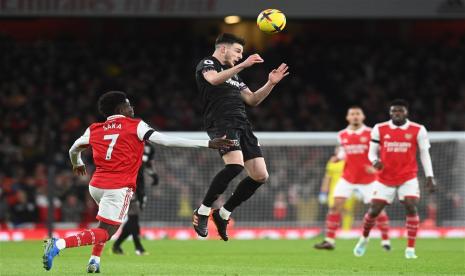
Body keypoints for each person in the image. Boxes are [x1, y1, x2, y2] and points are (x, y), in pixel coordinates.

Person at [42, 91, 234, 273]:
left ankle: (95, 260)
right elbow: (165, 141)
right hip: (117, 187)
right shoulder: (135, 125)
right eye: (127, 104)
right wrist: (207, 143)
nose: (131, 107)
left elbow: (73, 148)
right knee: (107, 233)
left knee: (105, 224)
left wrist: (77, 163)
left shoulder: (94, 129)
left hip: (96, 186)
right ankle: (59, 244)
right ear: (119, 109)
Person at [192, 33, 289, 241]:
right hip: (222, 122)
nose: (239, 56)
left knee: (260, 175)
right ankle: (202, 211)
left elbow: (253, 99)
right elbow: (213, 80)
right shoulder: (208, 64)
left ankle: (223, 214)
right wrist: (243, 65)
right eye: (238, 51)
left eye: (241, 54)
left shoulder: (234, 76)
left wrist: (271, 83)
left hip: (243, 124)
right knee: (235, 166)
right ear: (223, 49)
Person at [353, 99, 437, 259]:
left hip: (408, 176)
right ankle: (364, 239)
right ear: (390, 113)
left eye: (400, 111)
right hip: (385, 177)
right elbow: (371, 152)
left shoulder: (418, 129)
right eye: (394, 111)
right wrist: (374, 161)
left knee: (411, 207)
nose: (397, 114)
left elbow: (425, 154)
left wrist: (429, 176)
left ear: (406, 112)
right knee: (374, 211)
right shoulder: (380, 128)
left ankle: (410, 249)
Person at [315, 107, 391, 251]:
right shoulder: (342, 135)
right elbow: (344, 152)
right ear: (347, 117)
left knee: (378, 210)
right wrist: (338, 157)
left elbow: (384, 153)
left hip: (369, 179)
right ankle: (329, 240)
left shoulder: (371, 133)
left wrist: (376, 167)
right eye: (352, 114)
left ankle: (386, 241)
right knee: (335, 206)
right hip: (348, 178)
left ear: (363, 117)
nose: (355, 116)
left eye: (357, 114)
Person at [112, 143, 158, 256]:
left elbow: (148, 165)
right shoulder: (129, 144)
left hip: (140, 187)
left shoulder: (150, 148)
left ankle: (116, 245)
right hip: (127, 184)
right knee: (134, 217)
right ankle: (138, 247)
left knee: (134, 217)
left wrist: (154, 175)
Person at [318, 146, 358, 231]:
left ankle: (346, 231)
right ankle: (331, 230)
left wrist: (357, 189)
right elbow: (327, 178)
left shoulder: (351, 161)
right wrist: (323, 192)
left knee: (347, 210)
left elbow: (357, 175)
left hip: (349, 190)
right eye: (338, 149)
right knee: (333, 208)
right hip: (334, 191)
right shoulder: (332, 162)